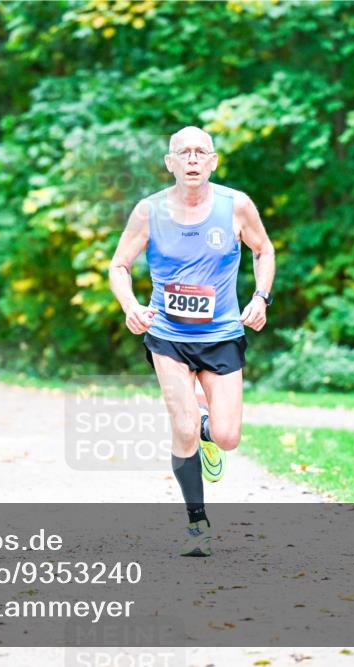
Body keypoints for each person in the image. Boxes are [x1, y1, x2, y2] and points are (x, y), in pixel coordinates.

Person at [108, 126, 275, 557]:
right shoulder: (149, 211)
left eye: (201, 152)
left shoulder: (236, 205)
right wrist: (130, 306)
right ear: (170, 162)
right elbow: (119, 265)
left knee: (228, 436)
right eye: (184, 152)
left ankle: (207, 427)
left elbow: (264, 250)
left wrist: (260, 296)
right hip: (168, 335)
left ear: (214, 161)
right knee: (180, 429)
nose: (193, 159)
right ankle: (197, 524)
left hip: (221, 334)